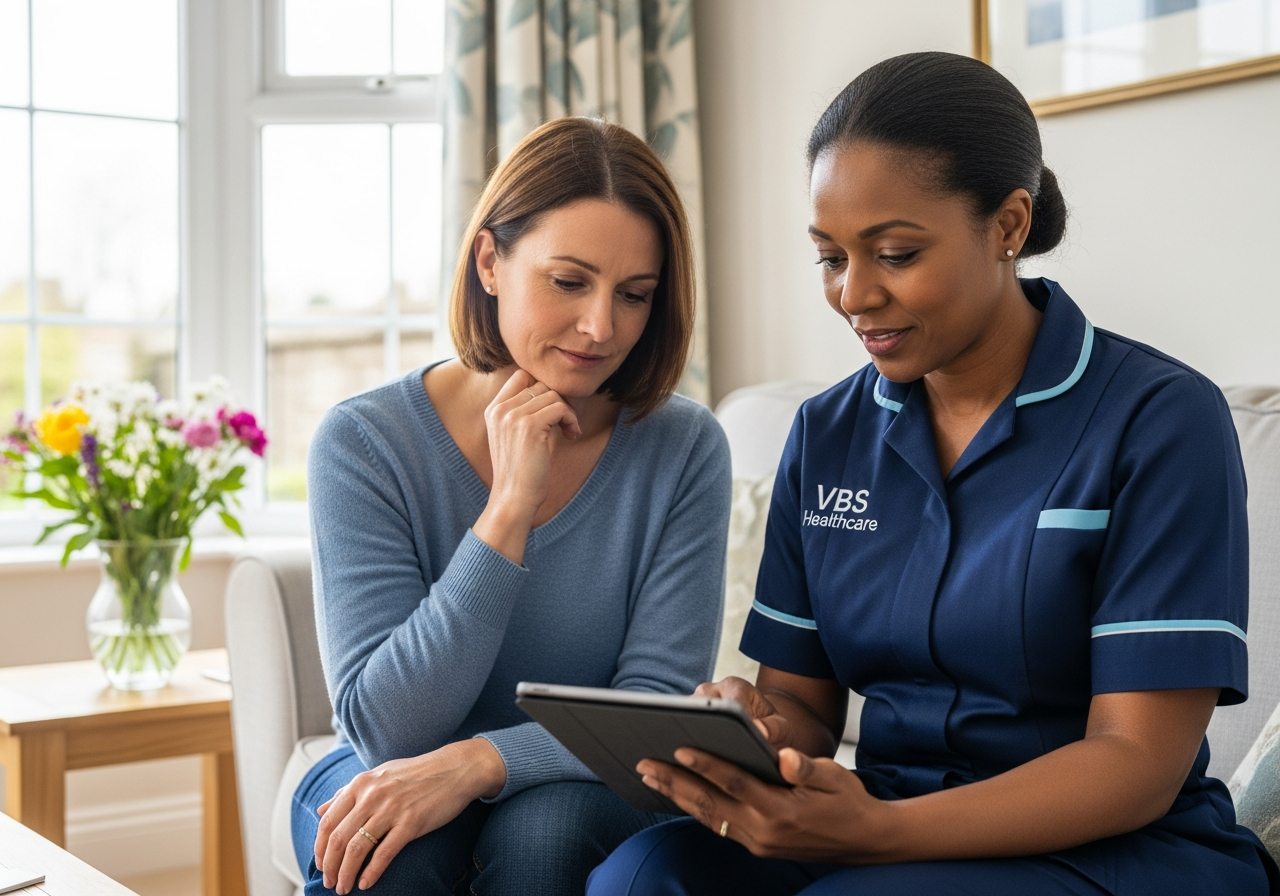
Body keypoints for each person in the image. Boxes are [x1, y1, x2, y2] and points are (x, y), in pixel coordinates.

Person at [587, 51, 1280, 895]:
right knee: (639, 879)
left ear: (1010, 225)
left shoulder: (1161, 421)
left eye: (895, 253)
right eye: (831, 257)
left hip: (1110, 849)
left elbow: (1136, 762)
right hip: (879, 815)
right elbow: (805, 708)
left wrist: (880, 834)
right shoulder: (826, 432)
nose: (852, 294)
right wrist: (761, 732)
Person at [292, 116, 731, 896]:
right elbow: (387, 729)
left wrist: (482, 761)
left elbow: (651, 714)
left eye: (634, 295)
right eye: (568, 282)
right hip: (383, 761)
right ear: (490, 261)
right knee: (390, 853)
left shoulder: (683, 446)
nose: (602, 327)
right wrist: (508, 511)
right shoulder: (365, 441)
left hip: (584, 781)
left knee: (544, 836)